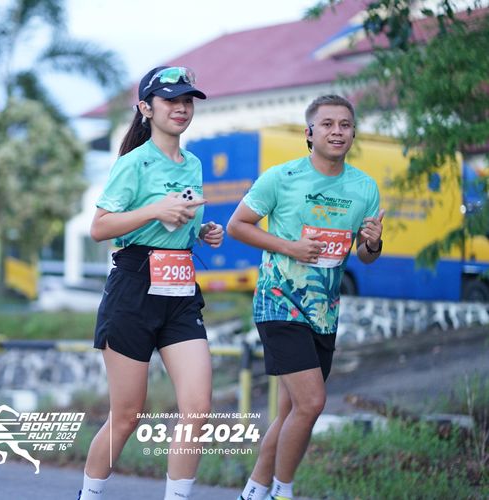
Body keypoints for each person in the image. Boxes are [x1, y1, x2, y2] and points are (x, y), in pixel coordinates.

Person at [77, 66, 224, 500]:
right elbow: (100, 228)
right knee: (127, 415)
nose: (181, 108)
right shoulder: (133, 163)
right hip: (134, 288)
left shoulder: (193, 163)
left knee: (198, 408)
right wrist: (155, 210)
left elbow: (176, 221)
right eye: (170, 100)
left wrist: (200, 231)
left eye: (187, 101)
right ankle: (89, 495)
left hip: (180, 290)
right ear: (146, 108)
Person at [227, 95, 384, 500]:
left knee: (291, 412)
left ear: (353, 133)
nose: (337, 131)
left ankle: (253, 491)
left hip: (324, 312)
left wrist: (373, 243)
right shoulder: (281, 177)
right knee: (312, 403)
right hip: (279, 302)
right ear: (309, 133)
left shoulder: (364, 188)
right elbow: (238, 226)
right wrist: (289, 247)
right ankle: (283, 491)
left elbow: (365, 256)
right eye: (327, 124)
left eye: (345, 125)